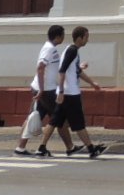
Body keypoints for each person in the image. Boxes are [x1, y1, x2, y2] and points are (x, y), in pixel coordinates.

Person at [36, 25, 108, 158]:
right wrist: (61, 91)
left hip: (66, 93)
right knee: (78, 123)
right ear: (80, 38)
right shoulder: (72, 51)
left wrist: (92, 83)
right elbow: (62, 70)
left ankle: (42, 147)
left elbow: (77, 71)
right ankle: (91, 149)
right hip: (70, 94)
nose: (87, 40)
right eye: (86, 37)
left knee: (54, 121)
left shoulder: (71, 50)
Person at [15, 24, 75, 157]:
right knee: (59, 117)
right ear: (58, 36)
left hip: (44, 89)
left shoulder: (50, 48)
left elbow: (52, 67)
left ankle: (20, 147)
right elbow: (40, 67)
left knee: (34, 117)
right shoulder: (49, 49)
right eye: (63, 35)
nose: (63, 38)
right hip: (46, 91)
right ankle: (69, 147)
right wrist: (41, 90)